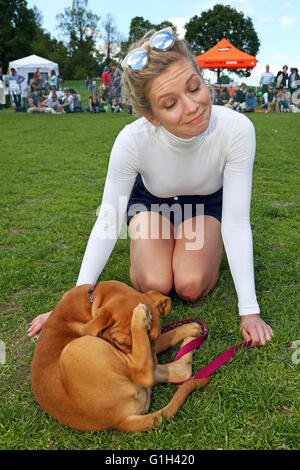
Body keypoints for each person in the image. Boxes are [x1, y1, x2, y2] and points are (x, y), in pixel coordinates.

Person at [28, 27, 273, 347]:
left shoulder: (237, 130)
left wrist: (249, 311)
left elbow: (237, 222)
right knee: (155, 282)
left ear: (201, 78)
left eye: (194, 87)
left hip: (205, 206)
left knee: (190, 284)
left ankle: (192, 245)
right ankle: (163, 243)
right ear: (151, 116)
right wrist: (71, 305)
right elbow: (108, 220)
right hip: (152, 204)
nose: (192, 107)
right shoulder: (132, 140)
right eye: (170, 104)